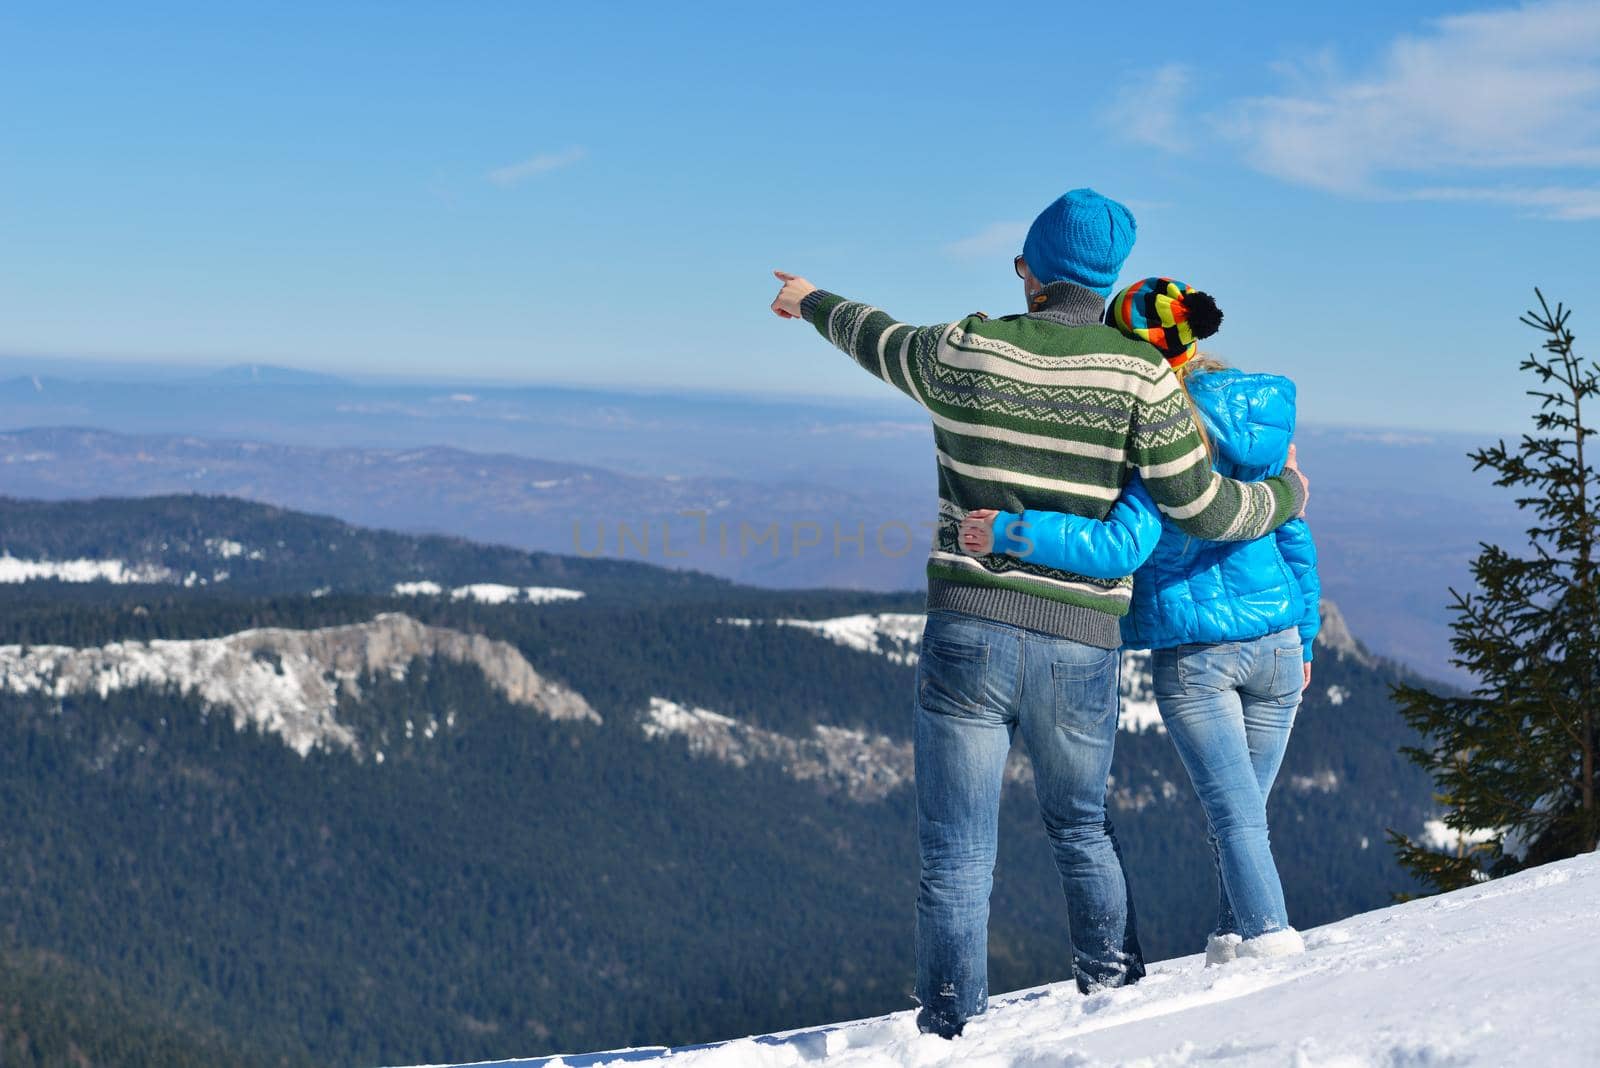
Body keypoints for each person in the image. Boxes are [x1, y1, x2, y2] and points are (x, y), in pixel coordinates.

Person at [769, 189, 1309, 1039]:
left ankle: (948, 1033)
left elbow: (876, 337)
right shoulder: (1139, 377)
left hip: (967, 631)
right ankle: (1118, 1004)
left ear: (1031, 273)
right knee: (1082, 829)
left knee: (955, 855)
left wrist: (808, 301)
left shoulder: (965, 348)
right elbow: (1202, 509)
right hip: (1079, 643)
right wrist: (1282, 493)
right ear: (1108, 281)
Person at [960, 276, 1321, 963]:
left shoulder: (1158, 432)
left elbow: (1118, 546)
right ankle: (1229, 942)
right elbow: (1293, 533)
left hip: (1197, 654)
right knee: (1245, 818)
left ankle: (1272, 950)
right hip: (1277, 643)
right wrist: (1306, 633)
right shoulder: (1263, 420)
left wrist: (1010, 532)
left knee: (1235, 816)